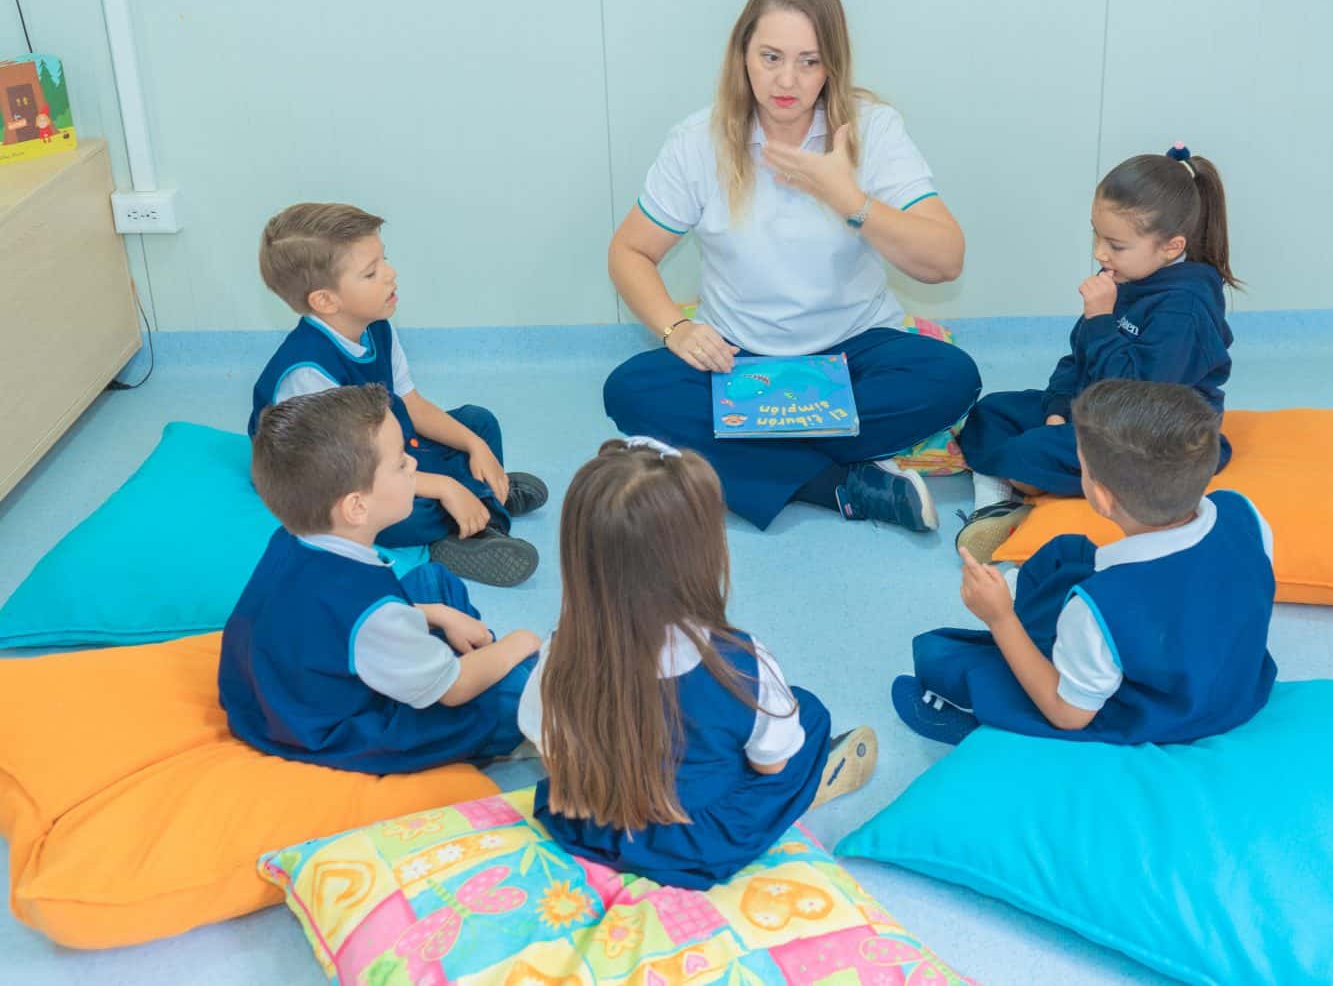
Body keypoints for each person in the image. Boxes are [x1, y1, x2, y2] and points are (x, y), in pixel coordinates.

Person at [603, 0, 980, 533]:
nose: (787, 80)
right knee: (629, 392)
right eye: (771, 57)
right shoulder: (697, 141)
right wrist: (675, 330)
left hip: (855, 351)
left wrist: (848, 199)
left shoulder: (873, 129)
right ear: (743, 56)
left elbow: (946, 260)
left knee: (952, 377)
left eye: (809, 61)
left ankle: (747, 456)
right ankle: (838, 485)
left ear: (832, 66)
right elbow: (629, 252)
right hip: (736, 357)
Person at [517, 438, 878, 888]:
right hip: (693, 843)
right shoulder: (742, 663)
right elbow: (771, 766)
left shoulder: (559, 654)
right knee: (811, 716)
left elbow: (550, 751)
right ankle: (807, 794)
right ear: (701, 556)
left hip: (590, 824)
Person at [894, 380, 1276, 747]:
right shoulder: (1243, 512)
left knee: (942, 657)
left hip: (1162, 715)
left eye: (1082, 468)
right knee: (1067, 553)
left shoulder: (1102, 608)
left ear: (1103, 498)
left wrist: (1000, 619)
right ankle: (1036, 632)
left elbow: (1068, 715)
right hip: (1234, 682)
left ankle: (987, 726)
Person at [219, 385, 541, 774]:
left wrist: (436, 614)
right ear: (356, 507)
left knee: (433, 581)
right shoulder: (373, 611)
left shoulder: (292, 537)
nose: (414, 465)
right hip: (335, 730)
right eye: (401, 463)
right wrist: (518, 643)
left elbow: (327, 616)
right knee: (512, 694)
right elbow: (454, 691)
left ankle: (446, 659)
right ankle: (475, 681)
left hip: (275, 700)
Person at [956, 144, 1238, 560]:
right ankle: (1008, 494)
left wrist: (1102, 321)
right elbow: (1078, 358)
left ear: (1171, 246)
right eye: (1097, 235)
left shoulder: (1186, 309)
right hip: (1098, 410)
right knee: (991, 412)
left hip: (1155, 437)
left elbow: (1138, 397)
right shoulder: (1128, 276)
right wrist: (1057, 407)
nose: (1099, 253)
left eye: (1116, 245)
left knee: (1028, 450)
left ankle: (1003, 492)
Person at [250, 202, 544, 586]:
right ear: (325, 300)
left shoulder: (375, 326)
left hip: (385, 450)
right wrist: (445, 485)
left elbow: (412, 405)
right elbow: (350, 477)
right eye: (371, 273)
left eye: (384, 261)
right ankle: (473, 522)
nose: (391, 274)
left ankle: (481, 498)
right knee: (401, 511)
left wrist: (475, 446)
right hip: (340, 477)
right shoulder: (308, 374)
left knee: (478, 423)